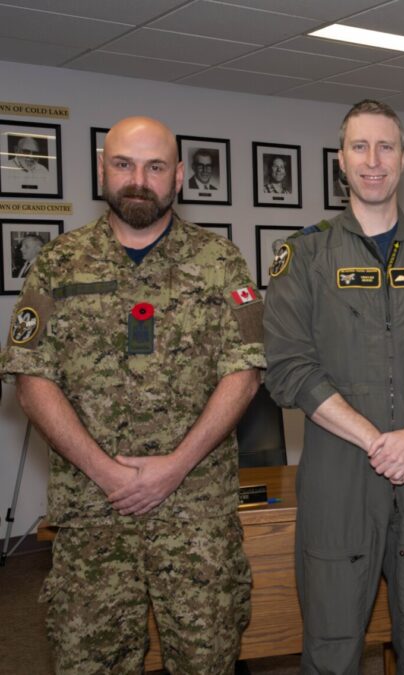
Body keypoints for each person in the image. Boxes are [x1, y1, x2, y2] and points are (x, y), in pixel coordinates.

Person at [0, 116, 264, 673]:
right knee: (91, 662)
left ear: (180, 176)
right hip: (93, 514)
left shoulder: (221, 263)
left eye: (154, 166)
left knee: (206, 660)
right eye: (123, 164)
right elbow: (31, 378)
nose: (138, 179)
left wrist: (173, 468)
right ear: (102, 170)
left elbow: (244, 371)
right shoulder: (57, 264)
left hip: (195, 514)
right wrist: (107, 472)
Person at [263, 99, 404, 675]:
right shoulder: (304, 255)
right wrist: (378, 442)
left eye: (386, 146)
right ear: (341, 159)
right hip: (339, 473)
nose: (373, 160)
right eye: (360, 147)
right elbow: (288, 367)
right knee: (332, 647)